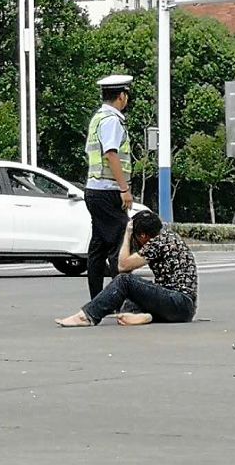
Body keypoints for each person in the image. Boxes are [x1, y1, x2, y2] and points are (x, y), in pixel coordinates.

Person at [55, 210, 198, 327]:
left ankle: (87, 316)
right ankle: (147, 316)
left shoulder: (158, 242)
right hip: (181, 306)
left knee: (124, 280)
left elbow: (122, 266)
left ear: (142, 235)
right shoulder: (168, 236)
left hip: (179, 303)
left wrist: (127, 234)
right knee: (130, 298)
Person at [83, 75, 134, 300]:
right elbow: (111, 153)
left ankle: (98, 298)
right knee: (120, 245)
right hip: (108, 190)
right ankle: (118, 299)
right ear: (121, 96)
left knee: (99, 247)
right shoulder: (112, 120)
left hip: (94, 189)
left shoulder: (97, 118)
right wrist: (124, 189)